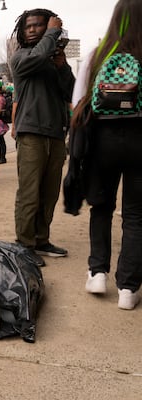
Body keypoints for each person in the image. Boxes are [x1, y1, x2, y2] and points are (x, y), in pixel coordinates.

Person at [69, 0, 142, 309]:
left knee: (101, 207)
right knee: (136, 215)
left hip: (101, 142)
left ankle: (97, 272)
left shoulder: (96, 57)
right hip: (140, 142)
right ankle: (128, 288)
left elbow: (77, 104)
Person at [10, 8, 75, 267]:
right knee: (29, 193)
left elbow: (70, 90)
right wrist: (52, 31)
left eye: (41, 26)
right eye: (31, 27)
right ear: (23, 33)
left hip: (55, 134)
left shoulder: (49, 60)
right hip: (31, 135)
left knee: (49, 193)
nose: (35, 30)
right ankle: (24, 245)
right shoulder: (22, 58)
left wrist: (62, 68)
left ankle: (41, 239)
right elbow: (36, 57)